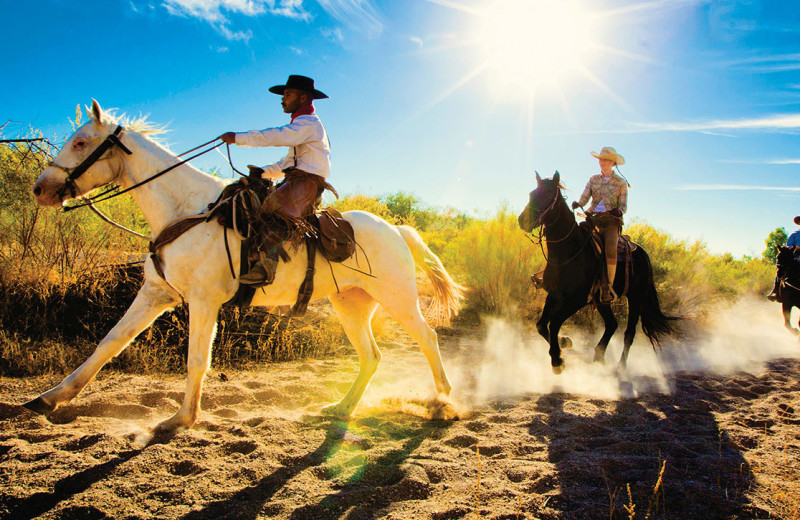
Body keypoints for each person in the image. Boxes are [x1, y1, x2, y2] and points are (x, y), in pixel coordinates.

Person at [219, 74, 331, 286]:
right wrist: (263, 172)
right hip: (296, 180)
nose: (283, 99)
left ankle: (266, 267)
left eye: (288, 94)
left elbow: (278, 136)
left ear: (303, 98)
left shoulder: (308, 124)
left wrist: (239, 138)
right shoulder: (300, 126)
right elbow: (286, 163)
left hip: (308, 183)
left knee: (278, 213)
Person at [571, 146, 628, 303]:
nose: (602, 162)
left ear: (612, 163)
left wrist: (619, 212)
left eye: (606, 160)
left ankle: (608, 286)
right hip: (593, 218)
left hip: (611, 221)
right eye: (601, 159)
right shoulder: (593, 180)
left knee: (610, 248)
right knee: (577, 239)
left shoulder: (621, 183)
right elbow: (584, 198)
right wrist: (578, 203)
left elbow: (624, 206)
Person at [766, 216, 800, 301]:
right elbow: (789, 247)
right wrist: (796, 248)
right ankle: (776, 291)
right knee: (781, 268)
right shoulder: (794, 234)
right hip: (795, 256)